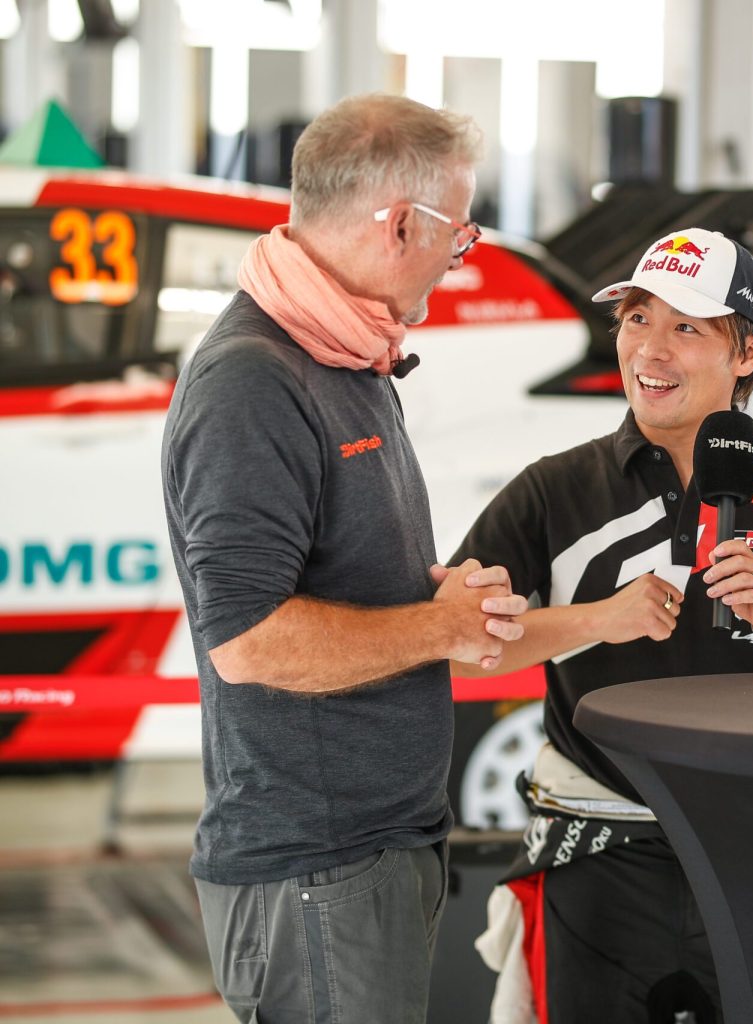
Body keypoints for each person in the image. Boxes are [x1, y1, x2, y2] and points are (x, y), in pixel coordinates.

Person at [454, 226, 753, 1023]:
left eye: (687, 327)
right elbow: (452, 650)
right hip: (602, 853)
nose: (650, 350)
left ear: (749, 352)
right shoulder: (554, 488)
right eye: (636, 319)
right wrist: (597, 619)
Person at [160, 93, 525, 1022]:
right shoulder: (254, 381)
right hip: (317, 870)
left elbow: (343, 574)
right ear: (401, 224)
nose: (459, 254)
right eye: (459, 232)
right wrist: (438, 629)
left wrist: (438, 596)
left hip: (369, 851)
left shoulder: (347, 353)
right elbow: (249, 641)